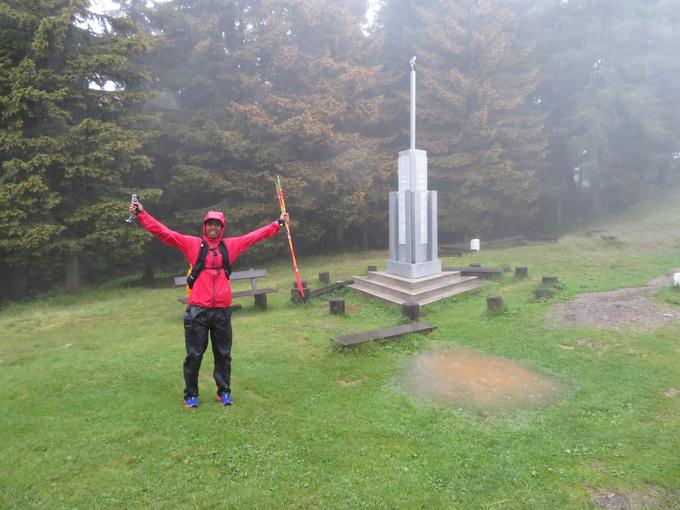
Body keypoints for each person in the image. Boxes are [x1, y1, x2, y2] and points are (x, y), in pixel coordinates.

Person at [129, 200, 288, 408]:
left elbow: (255, 236)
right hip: (198, 311)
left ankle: (224, 392)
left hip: (222, 311)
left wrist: (278, 223)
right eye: (210, 224)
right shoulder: (192, 244)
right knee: (194, 355)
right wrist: (142, 214)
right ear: (205, 226)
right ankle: (191, 394)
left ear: (222, 227)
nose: (213, 227)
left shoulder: (230, 246)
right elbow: (165, 233)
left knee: (223, 354)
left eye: (217, 224)